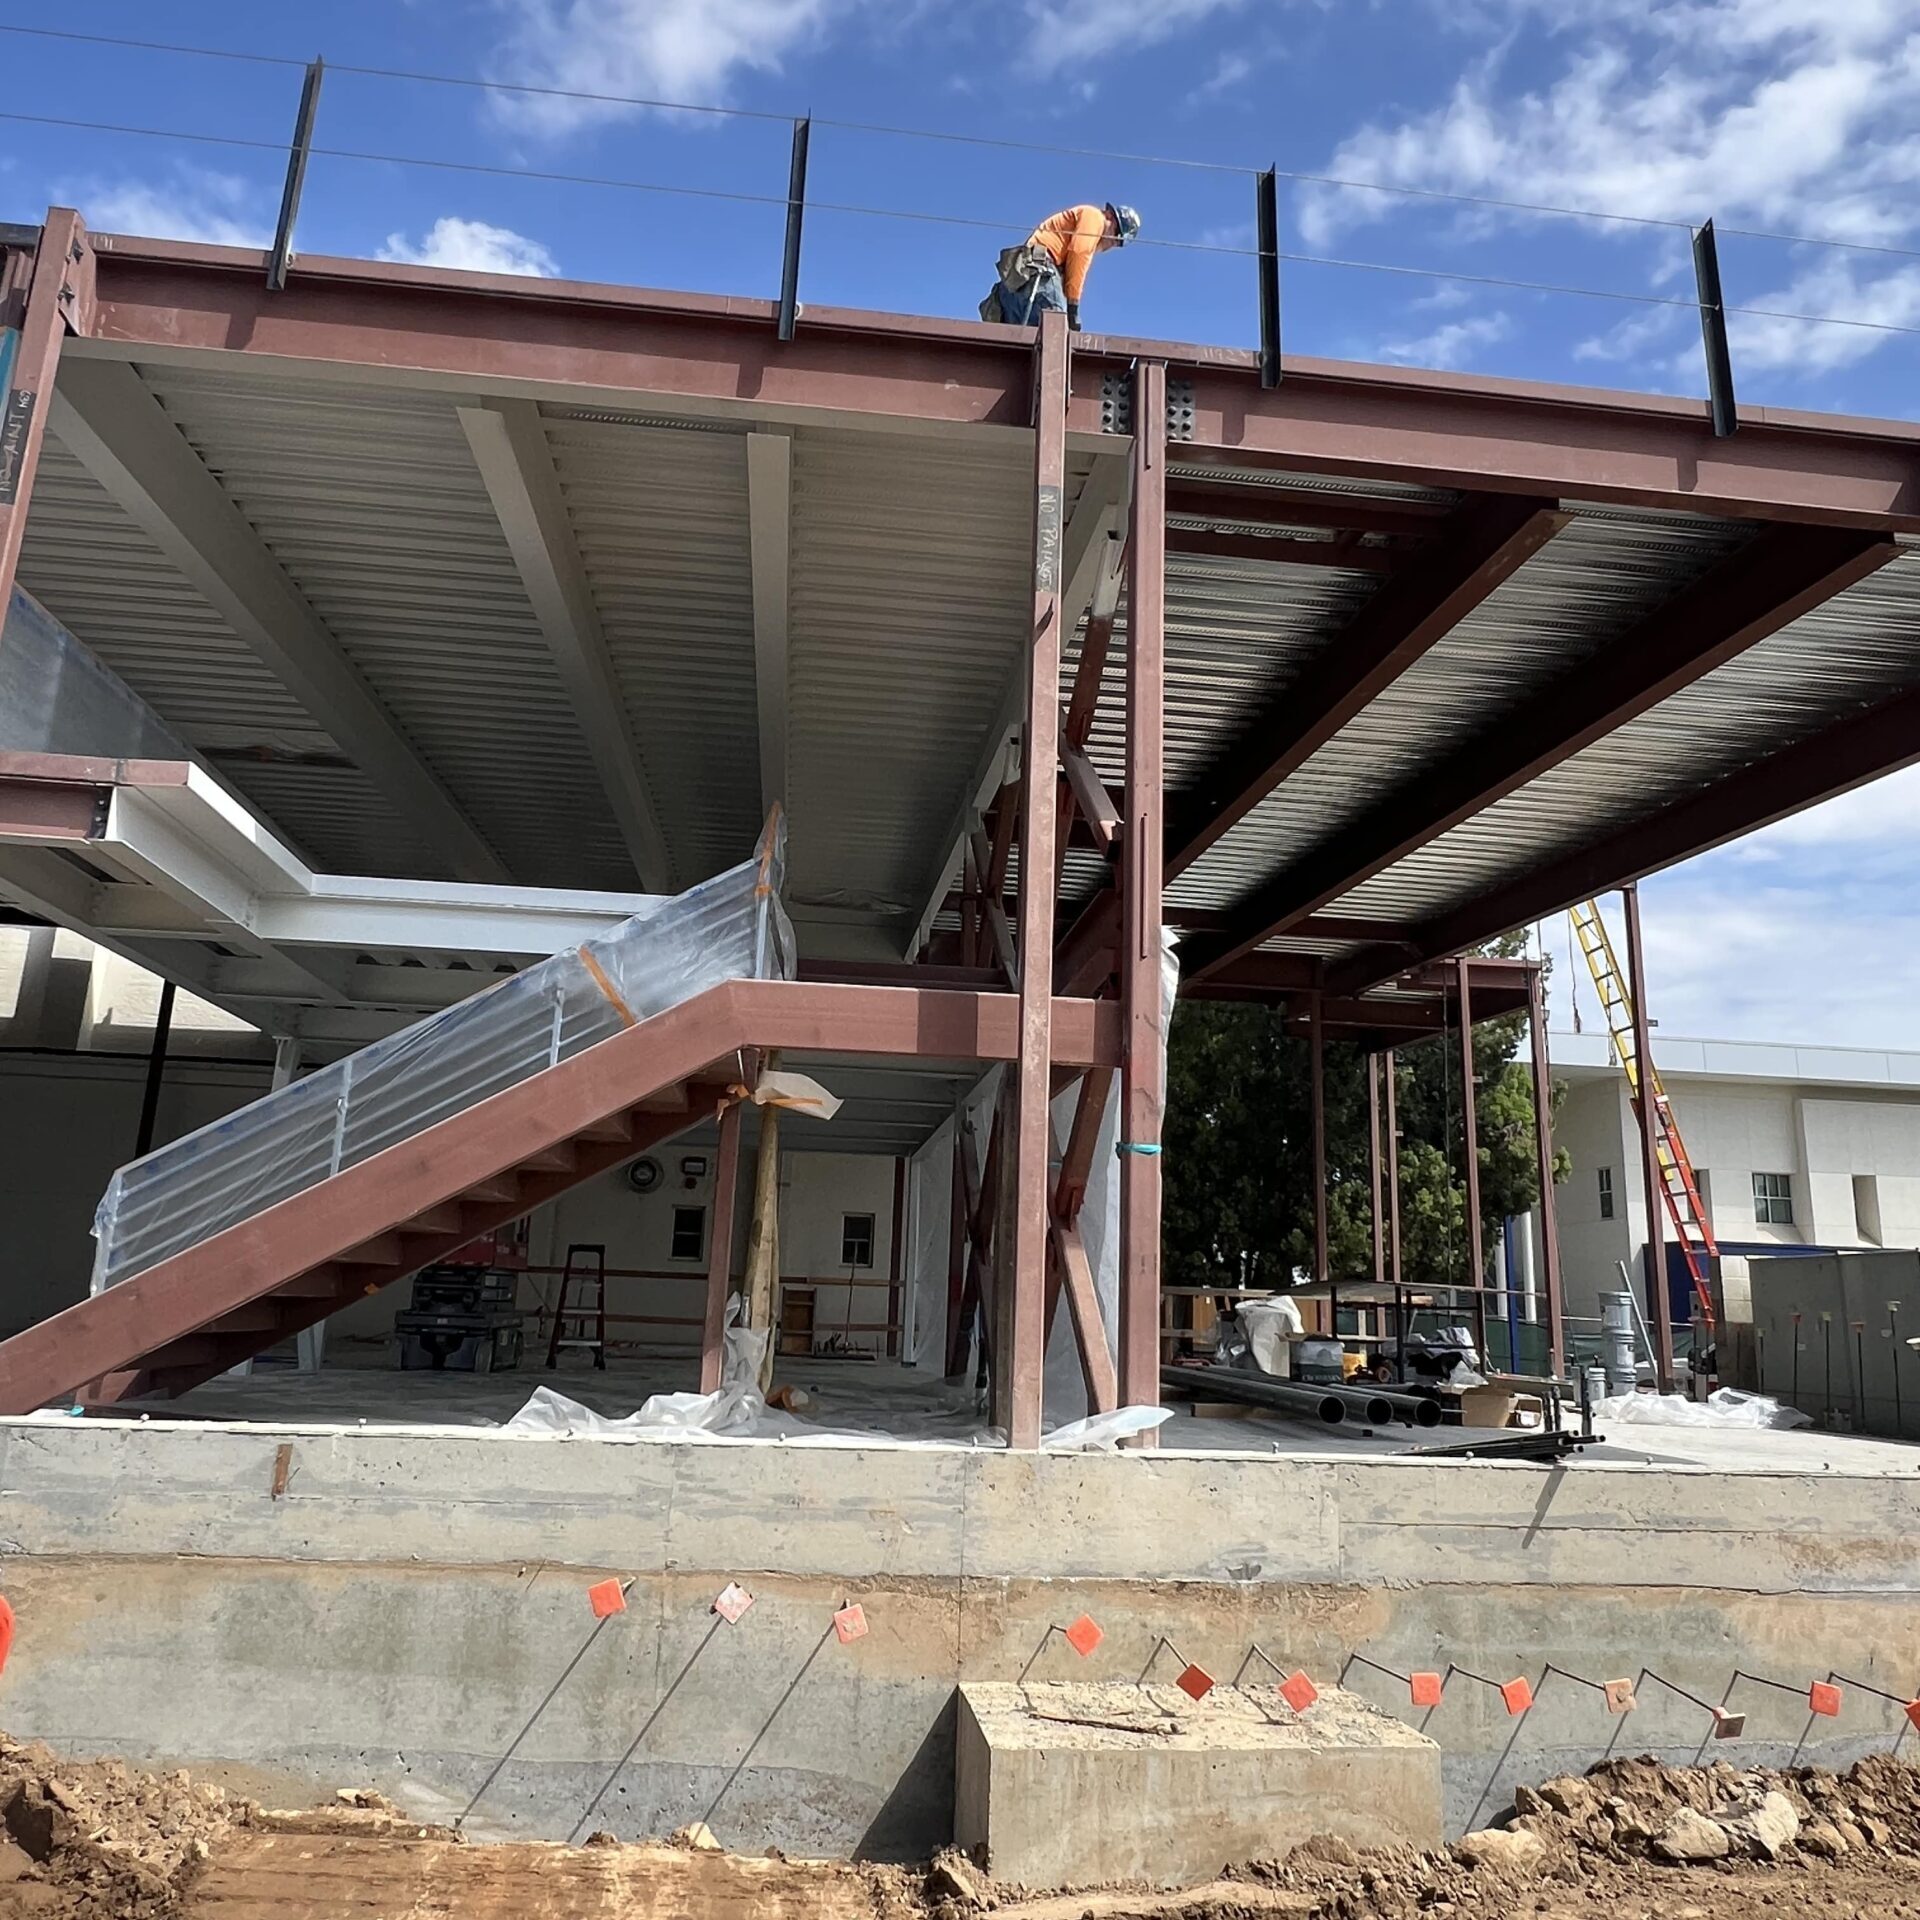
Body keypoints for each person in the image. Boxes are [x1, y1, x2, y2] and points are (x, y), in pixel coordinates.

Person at [981, 202, 1141, 330]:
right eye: (1115, 236)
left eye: (1118, 243)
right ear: (1110, 217)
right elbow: (1079, 252)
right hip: (1039, 272)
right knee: (1056, 329)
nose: (1112, 244)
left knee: (1020, 345)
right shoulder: (1094, 217)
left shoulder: (1086, 220)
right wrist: (1073, 306)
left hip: (1018, 279)